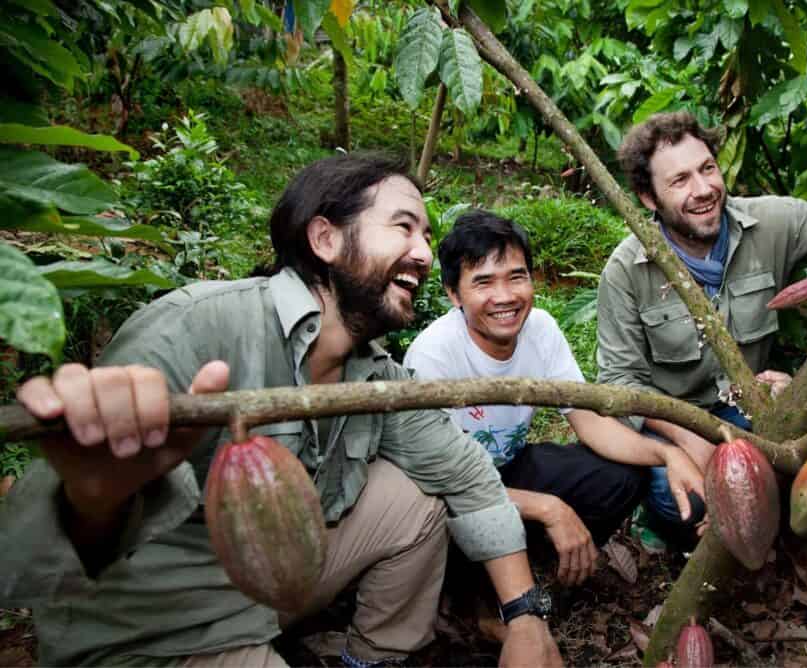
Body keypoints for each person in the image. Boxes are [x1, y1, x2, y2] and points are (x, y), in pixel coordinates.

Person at [1, 154, 562, 668]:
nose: (421, 250)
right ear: (324, 238)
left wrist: (525, 617)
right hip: (161, 629)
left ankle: (373, 659)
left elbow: (464, 472)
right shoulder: (198, 328)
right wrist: (97, 497)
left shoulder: (375, 373)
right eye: (403, 226)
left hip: (268, 585)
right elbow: (63, 536)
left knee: (414, 495)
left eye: (426, 233)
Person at [598, 112, 807, 547]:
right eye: (680, 181)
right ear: (648, 198)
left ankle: (759, 514)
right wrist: (685, 434)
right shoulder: (626, 270)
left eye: (708, 168)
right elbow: (619, 380)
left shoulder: (774, 222)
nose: (704, 189)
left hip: (749, 409)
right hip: (672, 420)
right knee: (680, 501)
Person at [404, 210, 707, 583]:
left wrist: (666, 453)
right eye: (483, 283)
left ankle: (548, 564)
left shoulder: (541, 329)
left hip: (506, 470)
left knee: (621, 475)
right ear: (454, 294)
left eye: (517, 277)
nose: (504, 297)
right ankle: (478, 601)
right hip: (451, 495)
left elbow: (589, 420)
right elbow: (449, 487)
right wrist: (549, 508)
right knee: (443, 520)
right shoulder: (433, 356)